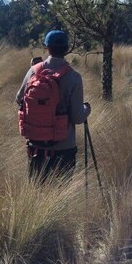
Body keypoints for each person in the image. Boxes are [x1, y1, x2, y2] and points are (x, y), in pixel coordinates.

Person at [16, 30, 91, 182]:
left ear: (47, 48)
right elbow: (77, 117)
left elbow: (19, 99)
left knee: (37, 190)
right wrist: (87, 109)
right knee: (62, 190)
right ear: (66, 48)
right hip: (63, 148)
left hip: (35, 146)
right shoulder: (74, 77)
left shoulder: (33, 71)